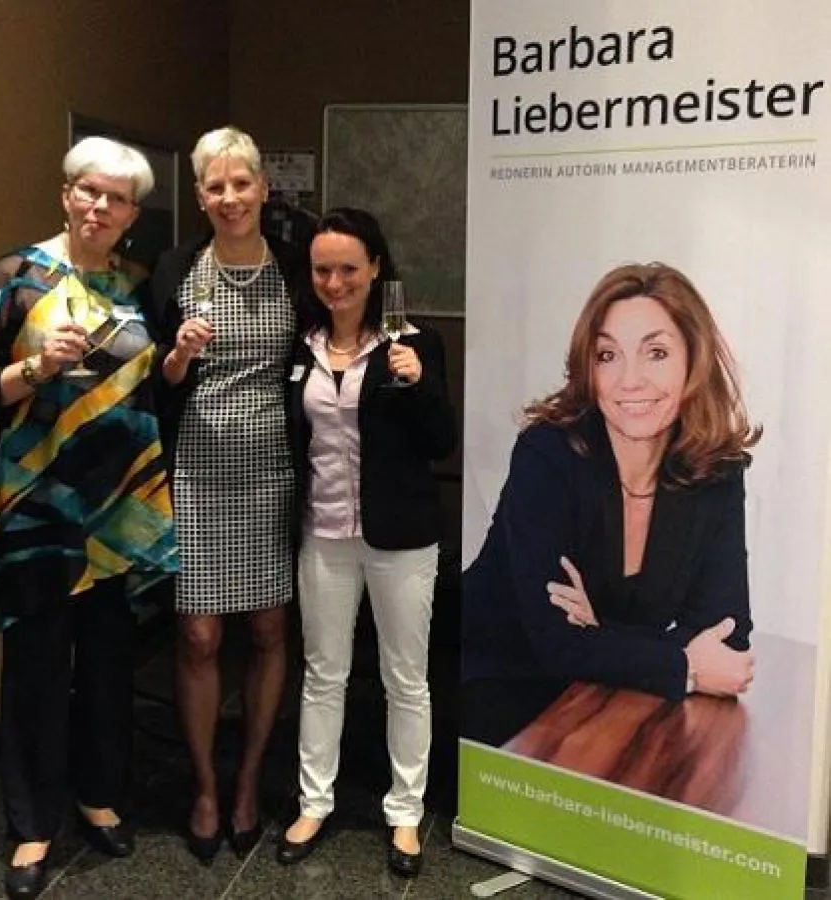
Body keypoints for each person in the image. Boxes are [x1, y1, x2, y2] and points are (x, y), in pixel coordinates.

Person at [0, 137, 177, 900]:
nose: (100, 207)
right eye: (89, 191)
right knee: (37, 670)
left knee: (110, 663)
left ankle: (99, 795)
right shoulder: (15, 276)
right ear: (66, 194)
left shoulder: (139, 285)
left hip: (118, 507)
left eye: (116, 199)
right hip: (39, 504)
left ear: (132, 215)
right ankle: (31, 825)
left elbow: (158, 385)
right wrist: (36, 367)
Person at [462, 262, 760, 748]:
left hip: (610, 690)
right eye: (608, 355)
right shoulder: (548, 455)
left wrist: (599, 631)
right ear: (589, 368)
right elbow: (555, 643)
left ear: (694, 359)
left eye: (656, 353)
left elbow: (728, 633)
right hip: (502, 682)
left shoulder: (715, 472)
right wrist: (681, 662)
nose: (630, 380)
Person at [276, 208, 457, 877]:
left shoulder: (413, 342)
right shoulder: (301, 345)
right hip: (322, 533)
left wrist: (418, 383)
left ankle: (405, 812)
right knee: (324, 673)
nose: (335, 282)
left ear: (376, 267)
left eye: (348, 268)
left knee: (405, 678)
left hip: (400, 537)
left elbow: (441, 442)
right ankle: (313, 803)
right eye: (323, 269)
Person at [150, 126, 306, 863]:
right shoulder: (176, 268)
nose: (231, 197)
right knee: (199, 636)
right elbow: (156, 380)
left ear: (263, 189)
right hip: (197, 470)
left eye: (242, 183)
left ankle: (248, 781)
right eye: (216, 186)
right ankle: (206, 787)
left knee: (270, 630)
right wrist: (178, 355)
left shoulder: (297, 269)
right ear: (200, 195)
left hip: (273, 471)